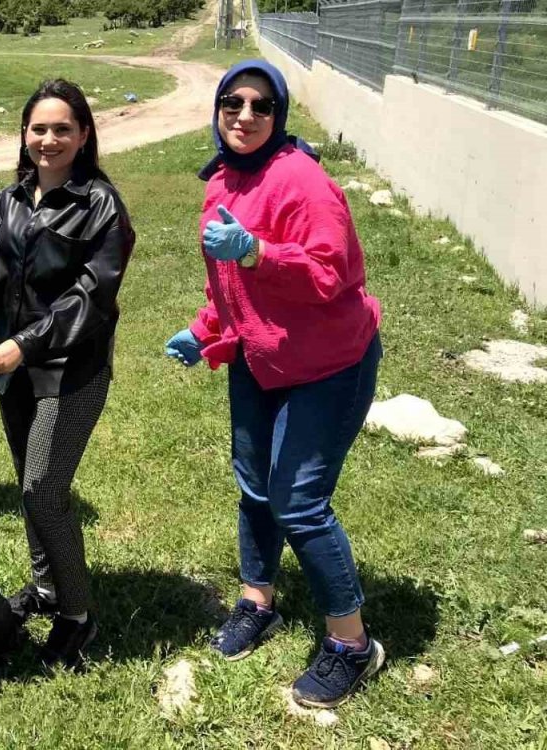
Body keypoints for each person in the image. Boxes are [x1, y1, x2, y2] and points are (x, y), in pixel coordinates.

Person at [163, 59, 384, 708]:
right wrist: (206, 329)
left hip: (330, 364)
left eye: (262, 106)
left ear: (278, 116)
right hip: (262, 359)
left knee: (299, 501)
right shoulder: (223, 182)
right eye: (233, 101)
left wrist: (260, 251)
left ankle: (352, 645)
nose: (245, 115)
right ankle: (259, 601)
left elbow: (330, 274)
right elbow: (227, 285)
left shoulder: (303, 181)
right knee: (255, 483)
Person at [0, 79, 135, 669]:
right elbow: (0, 283)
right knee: (29, 486)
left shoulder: (101, 207)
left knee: (42, 486)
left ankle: (77, 615)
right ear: (25, 134)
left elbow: (92, 299)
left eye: (63, 128)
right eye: (39, 128)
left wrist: (23, 343)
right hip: (15, 368)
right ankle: (45, 587)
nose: (49, 139)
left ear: (84, 134)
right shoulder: (8, 201)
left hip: (70, 369)